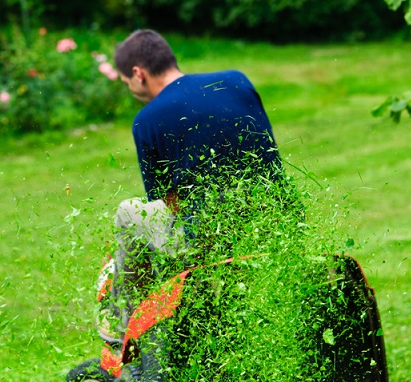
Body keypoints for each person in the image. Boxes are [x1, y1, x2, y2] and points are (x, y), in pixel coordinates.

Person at [99, 30, 283, 337]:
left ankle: (127, 327)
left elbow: (171, 205)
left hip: (212, 243)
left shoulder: (147, 119)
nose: (130, 89)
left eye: (126, 82)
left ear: (138, 73)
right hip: (276, 222)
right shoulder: (237, 81)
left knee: (129, 212)